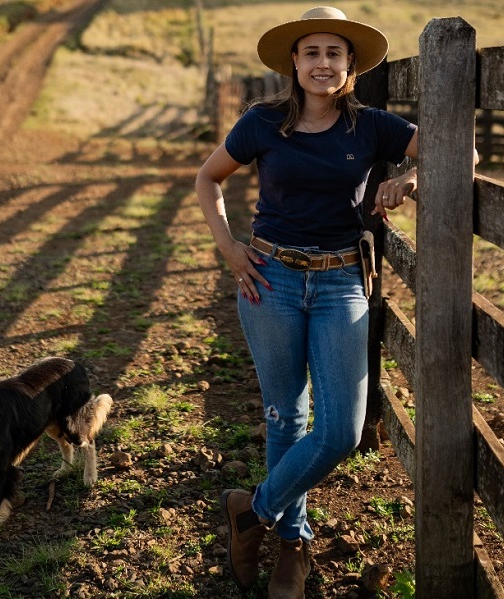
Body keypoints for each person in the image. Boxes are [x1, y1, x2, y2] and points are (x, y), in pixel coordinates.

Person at [196, 6, 418, 598]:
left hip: (342, 281)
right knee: (286, 418)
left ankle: (252, 510)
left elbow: (459, 151)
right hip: (269, 280)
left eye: (334, 54)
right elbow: (207, 177)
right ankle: (291, 547)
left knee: (341, 430)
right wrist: (229, 247)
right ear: (294, 62)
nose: (323, 63)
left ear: (350, 66)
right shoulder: (263, 122)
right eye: (312, 53)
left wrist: (409, 179)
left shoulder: (370, 126)